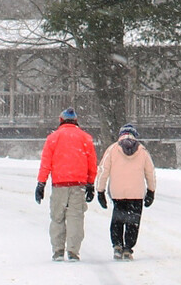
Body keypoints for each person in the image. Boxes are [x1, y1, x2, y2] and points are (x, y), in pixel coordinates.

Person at [35, 107, 98, 261]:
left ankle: (58, 250)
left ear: (61, 120)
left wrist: (41, 183)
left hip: (59, 184)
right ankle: (73, 251)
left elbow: (46, 163)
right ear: (76, 121)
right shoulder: (85, 138)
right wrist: (90, 184)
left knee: (57, 218)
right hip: (78, 185)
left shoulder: (53, 138)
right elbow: (92, 164)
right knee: (76, 218)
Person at [94, 123, 156, 261]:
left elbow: (103, 171)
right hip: (136, 193)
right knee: (133, 221)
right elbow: (150, 172)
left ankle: (117, 245)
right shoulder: (142, 151)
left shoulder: (113, 149)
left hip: (118, 192)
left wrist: (100, 191)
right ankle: (128, 248)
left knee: (118, 219)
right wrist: (151, 191)